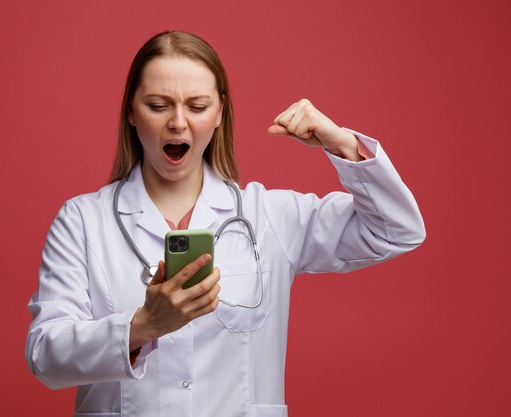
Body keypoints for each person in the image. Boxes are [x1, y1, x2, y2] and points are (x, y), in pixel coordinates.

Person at [25, 31, 425, 417]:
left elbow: (397, 230)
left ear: (219, 113)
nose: (178, 123)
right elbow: (45, 355)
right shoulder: (82, 220)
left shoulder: (269, 215)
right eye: (158, 105)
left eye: (197, 107)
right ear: (131, 111)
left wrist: (341, 144)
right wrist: (142, 326)